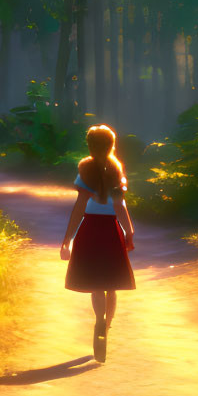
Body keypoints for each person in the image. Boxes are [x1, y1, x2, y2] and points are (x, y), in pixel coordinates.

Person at [60, 124, 135, 362]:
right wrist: (129, 230)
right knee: (111, 282)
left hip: (90, 228)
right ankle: (107, 326)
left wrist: (67, 239)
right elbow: (120, 205)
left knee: (95, 283)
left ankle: (100, 320)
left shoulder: (85, 169)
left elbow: (79, 207)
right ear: (112, 145)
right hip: (111, 229)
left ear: (90, 145)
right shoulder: (116, 168)